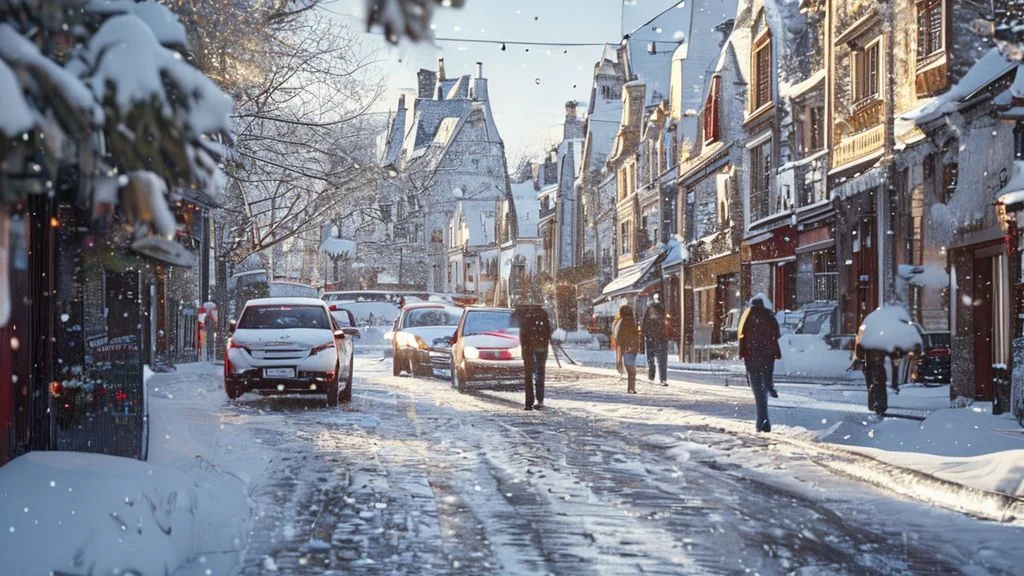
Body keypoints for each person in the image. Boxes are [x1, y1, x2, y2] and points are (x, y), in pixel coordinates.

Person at [737, 297, 781, 432]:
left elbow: (740, 335)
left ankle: (761, 421)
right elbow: (777, 334)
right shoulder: (769, 315)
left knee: (757, 391)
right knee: (765, 385)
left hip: (751, 357)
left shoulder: (746, 316)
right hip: (767, 357)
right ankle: (769, 386)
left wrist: (743, 353)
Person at [515, 304, 552, 411]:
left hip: (528, 347)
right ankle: (539, 400)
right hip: (541, 346)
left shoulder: (522, 314)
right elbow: (548, 329)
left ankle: (529, 402)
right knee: (540, 373)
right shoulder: (542, 313)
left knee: (528, 375)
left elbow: (523, 332)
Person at [641, 294, 669, 386]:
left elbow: (644, 325)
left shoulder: (649, 310)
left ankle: (652, 376)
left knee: (651, 359)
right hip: (660, 339)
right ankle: (663, 379)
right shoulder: (664, 310)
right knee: (662, 360)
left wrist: (646, 335)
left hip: (652, 339)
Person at [613, 304, 641, 394]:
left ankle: (631, 388)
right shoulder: (630, 322)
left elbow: (618, 336)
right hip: (630, 348)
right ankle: (631, 388)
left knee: (630, 369)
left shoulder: (620, 322)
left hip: (623, 347)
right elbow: (634, 335)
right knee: (631, 370)